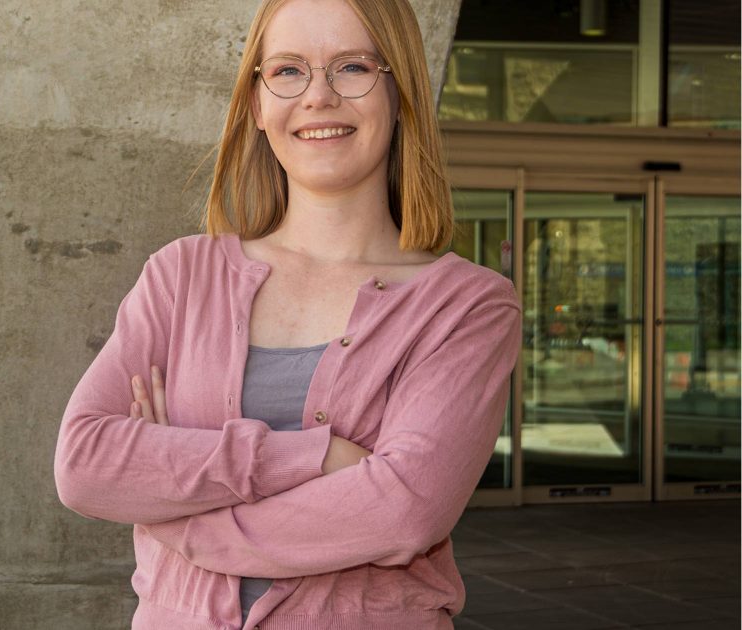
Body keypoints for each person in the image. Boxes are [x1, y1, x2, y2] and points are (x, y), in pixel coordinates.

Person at [54, 0, 523, 628]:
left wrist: (180, 509)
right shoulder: (182, 276)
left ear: (400, 90)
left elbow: (405, 512)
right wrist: (315, 458)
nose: (318, 97)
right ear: (256, 102)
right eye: (288, 70)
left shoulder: (467, 306)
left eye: (352, 67)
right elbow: (85, 465)